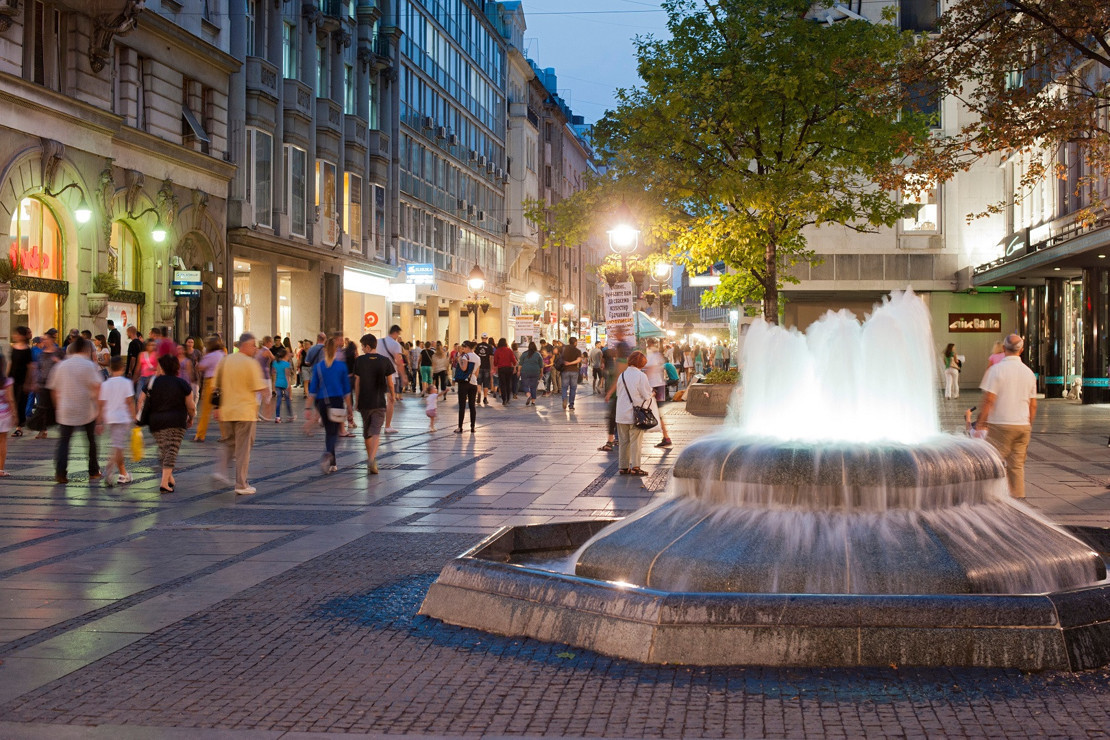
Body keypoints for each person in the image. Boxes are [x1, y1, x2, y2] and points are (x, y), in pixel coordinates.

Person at [978, 334, 1037, 499]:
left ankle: (988, 498)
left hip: (1000, 425)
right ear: (1022, 350)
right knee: (1016, 466)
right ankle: (1018, 500)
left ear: (1004, 349)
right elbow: (1033, 404)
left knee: (991, 463)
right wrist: (1028, 424)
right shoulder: (1029, 373)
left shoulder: (996, 370)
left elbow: (989, 400)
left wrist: (980, 424)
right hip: (1022, 426)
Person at [212, 333, 268, 494]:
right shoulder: (251, 363)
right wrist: (266, 392)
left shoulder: (226, 360)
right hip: (245, 412)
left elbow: (216, 386)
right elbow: (257, 386)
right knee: (243, 449)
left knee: (230, 442)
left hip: (227, 410)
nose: (255, 348)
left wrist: (217, 408)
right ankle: (241, 484)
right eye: (253, 345)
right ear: (244, 345)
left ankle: (220, 470)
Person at [48, 337, 103, 484]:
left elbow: (53, 389)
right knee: (91, 440)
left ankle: (61, 473)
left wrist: (57, 405)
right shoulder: (89, 366)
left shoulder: (61, 366)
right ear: (86, 350)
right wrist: (99, 413)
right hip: (87, 408)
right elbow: (98, 388)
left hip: (66, 409)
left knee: (64, 442)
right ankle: (93, 471)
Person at [139, 353, 195, 493]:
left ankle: (169, 478)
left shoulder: (152, 382)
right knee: (171, 450)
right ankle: (164, 482)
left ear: (162, 367)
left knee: (165, 449)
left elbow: (141, 401)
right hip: (176, 421)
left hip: (155, 422)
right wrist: (191, 417)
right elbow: (191, 406)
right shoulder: (182, 383)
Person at [306, 334, 352, 474]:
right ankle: (328, 454)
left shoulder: (319, 367)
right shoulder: (341, 367)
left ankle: (332, 463)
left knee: (328, 432)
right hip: (337, 401)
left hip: (322, 402)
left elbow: (313, 389)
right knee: (336, 432)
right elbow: (346, 390)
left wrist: (308, 407)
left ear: (325, 350)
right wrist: (349, 407)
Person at [353, 333, 396, 474]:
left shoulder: (359, 361)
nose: (362, 349)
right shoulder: (385, 361)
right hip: (379, 401)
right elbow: (390, 382)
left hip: (365, 401)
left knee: (367, 432)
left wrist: (356, 401)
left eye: (362, 347)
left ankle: (370, 458)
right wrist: (393, 396)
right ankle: (372, 458)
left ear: (367, 346)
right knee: (376, 430)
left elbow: (357, 383)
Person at [615, 350, 657, 476]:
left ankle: (623, 467)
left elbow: (618, 394)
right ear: (641, 364)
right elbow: (646, 395)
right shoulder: (641, 376)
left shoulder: (621, 375)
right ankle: (636, 467)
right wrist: (652, 393)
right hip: (635, 414)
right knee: (636, 441)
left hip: (621, 413)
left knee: (623, 441)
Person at [98, 356, 135, 487]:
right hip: (122, 417)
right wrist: (134, 417)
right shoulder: (126, 383)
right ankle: (109, 470)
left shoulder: (106, 384)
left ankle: (123, 474)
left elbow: (101, 403)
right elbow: (129, 402)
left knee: (118, 445)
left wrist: (99, 422)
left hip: (110, 417)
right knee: (117, 447)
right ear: (122, 367)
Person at [193, 336, 226, 442]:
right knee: (219, 408)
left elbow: (201, 367)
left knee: (206, 411)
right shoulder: (222, 354)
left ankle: (200, 435)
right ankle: (225, 434)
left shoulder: (210, 355)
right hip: (220, 382)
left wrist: (198, 364)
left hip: (210, 382)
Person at [644, 338, 674, 448]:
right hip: (660, 384)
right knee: (656, 412)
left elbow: (650, 369)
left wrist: (642, 378)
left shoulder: (652, 355)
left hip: (654, 386)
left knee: (646, 409)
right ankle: (666, 437)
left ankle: (666, 437)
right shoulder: (658, 355)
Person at [379, 325, 406, 432]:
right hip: (390, 375)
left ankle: (376, 424)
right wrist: (403, 376)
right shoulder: (395, 344)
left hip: (377, 374)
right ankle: (387, 426)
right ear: (395, 333)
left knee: (378, 399)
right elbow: (399, 362)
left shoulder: (379, 342)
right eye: (398, 334)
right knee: (391, 400)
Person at [9, 326, 32, 437]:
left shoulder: (27, 350)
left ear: (22, 336)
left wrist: (28, 382)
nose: (15, 336)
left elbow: (30, 367)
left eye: (17, 334)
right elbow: (10, 363)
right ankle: (11, 421)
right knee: (10, 400)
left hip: (22, 380)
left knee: (21, 403)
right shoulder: (13, 347)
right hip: (12, 379)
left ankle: (19, 427)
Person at [454, 341, 480, 434]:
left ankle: (460, 427)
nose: (463, 349)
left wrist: (459, 361)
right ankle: (472, 427)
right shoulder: (477, 357)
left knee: (462, 405)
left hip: (464, 383)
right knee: (472, 405)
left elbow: (464, 368)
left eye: (464, 347)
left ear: (468, 347)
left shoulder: (466, 356)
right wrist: (473, 378)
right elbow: (477, 372)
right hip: (473, 383)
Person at [493, 338, 517, 406]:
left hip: (501, 369)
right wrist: (514, 365)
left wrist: (495, 365)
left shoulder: (497, 351)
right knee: (508, 383)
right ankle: (508, 398)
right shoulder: (509, 350)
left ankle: (504, 399)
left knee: (502, 384)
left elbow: (495, 361)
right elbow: (513, 360)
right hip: (509, 368)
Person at [560, 337, 583, 410]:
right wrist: (571, 363)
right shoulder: (577, 351)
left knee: (564, 387)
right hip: (574, 371)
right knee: (573, 388)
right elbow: (579, 360)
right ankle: (571, 404)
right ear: (575, 342)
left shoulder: (564, 349)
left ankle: (564, 399)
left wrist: (566, 363)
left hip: (565, 370)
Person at [272, 347, 293, 423]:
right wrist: (288, 385)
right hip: (285, 383)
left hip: (277, 383)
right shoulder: (287, 364)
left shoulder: (275, 363)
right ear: (285, 356)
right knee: (287, 400)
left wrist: (273, 385)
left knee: (279, 399)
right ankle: (290, 416)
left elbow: (273, 373)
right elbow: (287, 375)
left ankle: (277, 417)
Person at [519, 342, 543, 406]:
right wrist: (541, 373)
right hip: (535, 372)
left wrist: (518, 371)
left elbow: (520, 364)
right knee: (533, 387)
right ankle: (533, 401)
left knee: (525, 385)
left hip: (525, 371)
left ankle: (528, 394)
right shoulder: (538, 354)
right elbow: (541, 365)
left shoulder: (524, 354)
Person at [0, 355, 12, 476]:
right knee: (2, 441)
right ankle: (0, 469)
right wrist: (15, 415)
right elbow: (10, 400)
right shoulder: (6, 381)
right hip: (3, 415)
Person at [474, 334, 493, 406]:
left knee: (478, 382)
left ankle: (479, 392)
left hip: (479, 366)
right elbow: (491, 357)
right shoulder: (489, 347)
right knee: (486, 383)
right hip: (487, 367)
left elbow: (475, 356)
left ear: (481, 338)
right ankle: (485, 398)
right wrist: (491, 367)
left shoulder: (478, 346)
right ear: (487, 338)